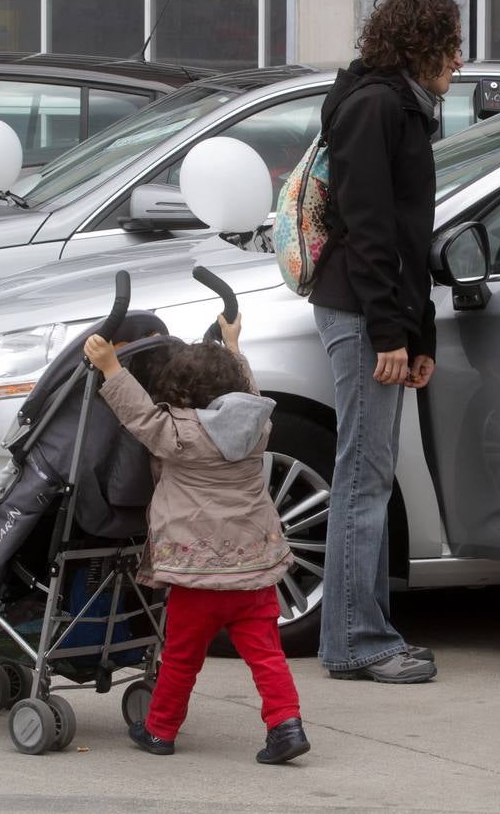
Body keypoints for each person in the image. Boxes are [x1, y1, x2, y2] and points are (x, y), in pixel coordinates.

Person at [309, 0, 463, 684]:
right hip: (359, 310)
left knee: (367, 475)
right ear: (420, 45)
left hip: (377, 312)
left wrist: (418, 333)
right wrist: (389, 333)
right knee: (362, 478)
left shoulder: (396, 106)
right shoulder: (374, 107)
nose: (458, 61)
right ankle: (354, 641)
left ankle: (365, 631)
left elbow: (408, 235)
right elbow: (369, 231)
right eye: (450, 46)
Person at [84, 316, 309, 765]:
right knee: (267, 656)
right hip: (253, 572)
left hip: (196, 577)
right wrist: (233, 346)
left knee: (182, 659)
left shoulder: (181, 434)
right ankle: (286, 726)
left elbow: (138, 415)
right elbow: (253, 396)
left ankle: (160, 729)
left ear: (182, 394)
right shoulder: (256, 427)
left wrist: (112, 367)